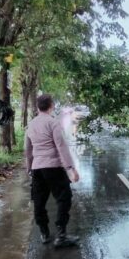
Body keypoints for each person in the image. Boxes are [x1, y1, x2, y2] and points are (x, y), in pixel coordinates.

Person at [25, 94, 80, 248]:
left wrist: (29, 168)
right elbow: (61, 146)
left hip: (37, 168)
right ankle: (61, 234)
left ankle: (44, 232)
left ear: (37, 107)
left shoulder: (31, 124)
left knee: (39, 201)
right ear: (51, 106)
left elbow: (28, 150)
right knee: (64, 197)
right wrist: (70, 168)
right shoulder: (53, 123)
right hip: (53, 167)